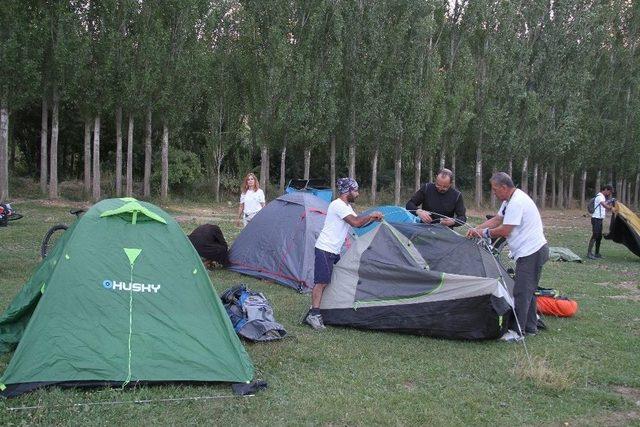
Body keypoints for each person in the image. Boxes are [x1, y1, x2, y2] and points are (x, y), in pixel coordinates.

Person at [466, 172, 548, 342]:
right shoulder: (508, 201)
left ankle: (518, 332)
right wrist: (476, 229)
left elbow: (505, 230)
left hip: (532, 252)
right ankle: (530, 327)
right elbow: (497, 220)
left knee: (521, 291)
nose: (494, 193)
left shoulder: (517, 202)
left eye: (495, 189)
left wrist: (483, 233)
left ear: (504, 187)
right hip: (528, 252)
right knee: (528, 291)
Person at [304, 178, 384, 330]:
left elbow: (359, 225)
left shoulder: (346, 206)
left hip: (334, 250)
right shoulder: (337, 205)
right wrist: (371, 215)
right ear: (347, 191)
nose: (357, 193)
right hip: (325, 248)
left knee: (332, 280)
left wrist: (373, 220)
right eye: (355, 190)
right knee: (321, 282)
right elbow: (356, 222)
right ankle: (313, 315)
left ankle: (324, 309)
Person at [588, 185, 614, 260]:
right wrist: (611, 208)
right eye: (609, 191)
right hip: (596, 219)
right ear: (605, 189)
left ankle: (597, 253)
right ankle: (589, 253)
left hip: (599, 219)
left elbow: (604, 207)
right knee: (595, 235)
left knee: (599, 237)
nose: (609, 193)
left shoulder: (603, 197)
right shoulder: (600, 196)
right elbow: (605, 206)